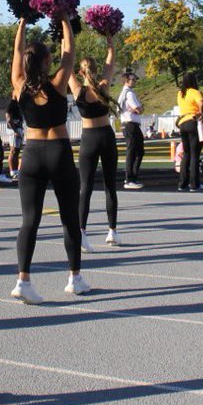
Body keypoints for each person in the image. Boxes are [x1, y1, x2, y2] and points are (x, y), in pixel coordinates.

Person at [10, 10, 89, 304]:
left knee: (29, 221)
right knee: (69, 218)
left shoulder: (19, 85)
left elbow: (17, 52)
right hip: (58, 152)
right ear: (46, 61)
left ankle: (23, 280)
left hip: (30, 156)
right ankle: (75, 278)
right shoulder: (57, 83)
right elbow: (69, 52)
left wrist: (22, 23)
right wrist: (65, 19)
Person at [73, 36, 119, 250]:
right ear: (95, 69)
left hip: (89, 138)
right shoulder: (103, 86)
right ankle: (112, 231)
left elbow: (65, 65)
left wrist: (66, 38)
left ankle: (81, 232)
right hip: (106, 137)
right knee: (110, 186)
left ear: (81, 72)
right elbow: (110, 63)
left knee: (85, 187)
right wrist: (110, 42)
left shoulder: (78, 90)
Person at [176, 73, 203, 192]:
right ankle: (194, 184)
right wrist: (201, 112)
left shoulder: (180, 94)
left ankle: (182, 183)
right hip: (193, 121)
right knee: (195, 154)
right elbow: (201, 102)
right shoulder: (195, 92)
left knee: (187, 154)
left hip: (182, 123)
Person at [118, 72, 145, 189]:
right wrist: (140, 108)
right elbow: (139, 110)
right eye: (133, 79)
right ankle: (129, 179)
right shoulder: (129, 93)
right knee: (133, 151)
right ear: (126, 81)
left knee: (138, 151)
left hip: (128, 124)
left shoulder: (123, 93)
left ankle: (132, 177)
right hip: (131, 124)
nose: (135, 81)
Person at [6, 97, 24, 182]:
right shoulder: (11, 104)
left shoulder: (18, 104)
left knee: (17, 151)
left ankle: (16, 171)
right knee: (13, 150)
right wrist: (15, 130)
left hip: (19, 128)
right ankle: (12, 172)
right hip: (14, 130)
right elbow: (8, 119)